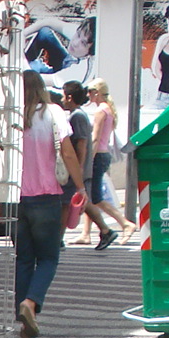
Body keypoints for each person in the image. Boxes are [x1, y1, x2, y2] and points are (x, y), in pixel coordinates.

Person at [15, 72, 88, 338]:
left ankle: (25, 321)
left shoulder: (9, 117)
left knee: (23, 259)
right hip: (46, 196)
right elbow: (67, 152)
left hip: (17, 199)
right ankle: (30, 304)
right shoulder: (53, 112)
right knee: (48, 257)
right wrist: (80, 186)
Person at [78, 78, 134, 246]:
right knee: (89, 194)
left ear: (96, 93)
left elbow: (95, 138)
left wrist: (88, 159)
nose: (88, 95)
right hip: (103, 155)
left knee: (95, 198)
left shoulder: (100, 111)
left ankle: (125, 223)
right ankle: (85, 233)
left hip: (98, 156)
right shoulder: (108, 109)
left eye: (90, 91)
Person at [60, 80, 115, 250]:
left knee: (69, 201)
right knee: (77, 201)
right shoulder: (78, 115)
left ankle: (58, 240)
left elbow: (82, 143)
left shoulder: (77, 116)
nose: (62, 99)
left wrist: (79, 168)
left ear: (69, 97)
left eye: (63, 95)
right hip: (77, 167)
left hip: (77, 168)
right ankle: (105, 231)